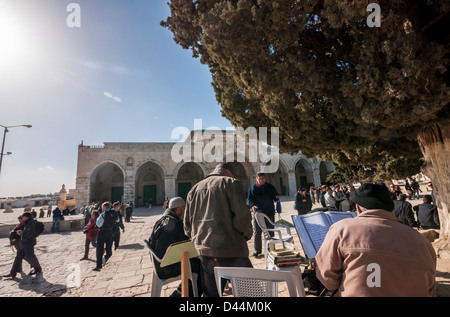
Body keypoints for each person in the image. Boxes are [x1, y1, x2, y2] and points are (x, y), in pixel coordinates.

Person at [315, 183, 436, 296]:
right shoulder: (421, 241)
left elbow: (327, 278)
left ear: (357, 208)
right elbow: (430, 287)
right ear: (391, 208)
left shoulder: (342, 229)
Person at [184, 163, 253, 297]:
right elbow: (242, 216)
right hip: (232, 249)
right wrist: (246, 235)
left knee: (212, 294)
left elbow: (187, 225)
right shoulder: (231, 183)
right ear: (227, 173)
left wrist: (198, 244)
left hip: (205, 253)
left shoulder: (193, 189)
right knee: (251, 292)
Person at [149, 197, 203, 297]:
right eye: (184, 208)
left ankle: (180, 290)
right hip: (167, 267)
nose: (186, 211)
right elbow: (186, 245)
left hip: (158, 264)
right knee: (200, 264)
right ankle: (186, 293)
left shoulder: (161, 220)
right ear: (178, 210)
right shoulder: (175, 224)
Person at [247, 171, 280, 257]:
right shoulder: (253, 188)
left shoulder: (270, 187)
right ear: (256, 179)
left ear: (265, 179)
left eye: (262, 179)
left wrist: (277, 197)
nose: (261, 180)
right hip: (258, 213)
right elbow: (249, 199)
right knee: (257, 232)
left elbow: (275, 195)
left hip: (269, 212)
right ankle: (257, 250)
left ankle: (271, 249)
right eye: (259, 179)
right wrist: (252, 206)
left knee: (270, 231)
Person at [4, 212, 42, 278]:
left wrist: (22, 236)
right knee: (18, 257)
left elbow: (30, 233)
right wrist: (22, 233)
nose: (22, 218)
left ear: (26, 217)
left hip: (28, 243)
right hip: (23, 243)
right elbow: (27, 232)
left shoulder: (30, 223)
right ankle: (12, 273)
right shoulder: (28, 222)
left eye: (23, 217)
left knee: (31, 256)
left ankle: (38, 269)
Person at [93, 202, 119, 271]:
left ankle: (99, 265)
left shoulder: (103, 214)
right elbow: (117, 220)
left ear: (104, 207)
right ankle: (109, 262)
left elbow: (98, 224)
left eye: (102, 207)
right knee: (109, 247)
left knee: (99, 249)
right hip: (110, 232)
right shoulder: (114, 213)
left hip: (102, 232)